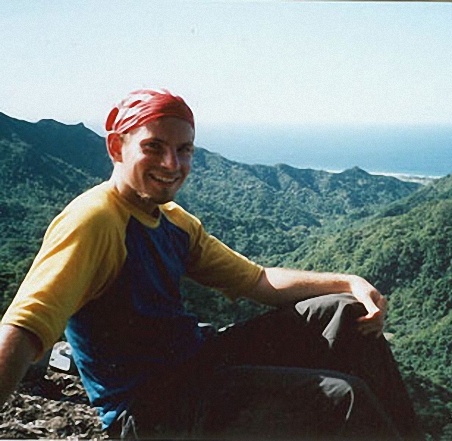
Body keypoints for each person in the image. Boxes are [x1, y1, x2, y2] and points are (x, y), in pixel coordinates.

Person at [0, 89, 423, 440]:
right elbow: (23, 328)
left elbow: (258, 280)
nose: (172, 165)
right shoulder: (94, 221)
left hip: (197, 365)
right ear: (116, 146)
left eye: (183, 151)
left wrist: (349, 282)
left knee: (343, 312)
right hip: (151, 410)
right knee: (343, 398)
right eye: (154, 147)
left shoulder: (173, 221)